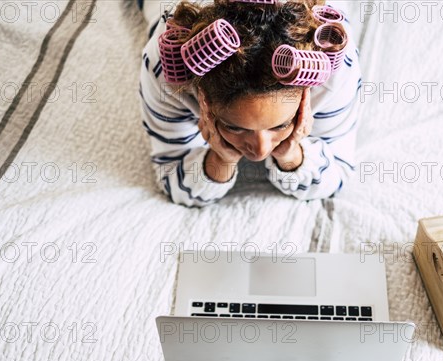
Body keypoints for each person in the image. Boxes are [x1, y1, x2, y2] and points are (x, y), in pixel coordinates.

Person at [138, 0, 362, 207]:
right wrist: (221, 159)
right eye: (234, 126)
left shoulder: (334, 68)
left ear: (306, 92)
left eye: (280, 125)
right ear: (203, 97)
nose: (260, 152)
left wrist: (291, 155)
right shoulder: (167, 72)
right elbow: (171, 177)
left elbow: (338, 175)